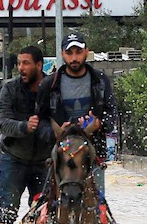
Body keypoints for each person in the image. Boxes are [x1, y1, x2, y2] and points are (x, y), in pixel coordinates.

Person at [0, 45, 53, 224]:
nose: (21, 68)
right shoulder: (10, 89)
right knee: (6, 210)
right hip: (13, 158)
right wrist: (24, 126)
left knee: (45, 214)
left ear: (39, 65)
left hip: (45, 161)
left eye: (26, 63)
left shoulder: (53, 88)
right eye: (19, 63)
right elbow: (2, 122)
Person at [36, 30, 115, 194]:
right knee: (50, 204)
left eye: (78, 52)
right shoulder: (49, 85)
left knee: (96, 205)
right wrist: (55, 132)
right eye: (69, 53)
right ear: (62, 54)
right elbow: (41, 120)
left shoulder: (100, 81)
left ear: (86, 52)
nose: (74, 58)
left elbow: (112, 112)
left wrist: (99, 124)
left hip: (93, 153)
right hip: (60, 154)